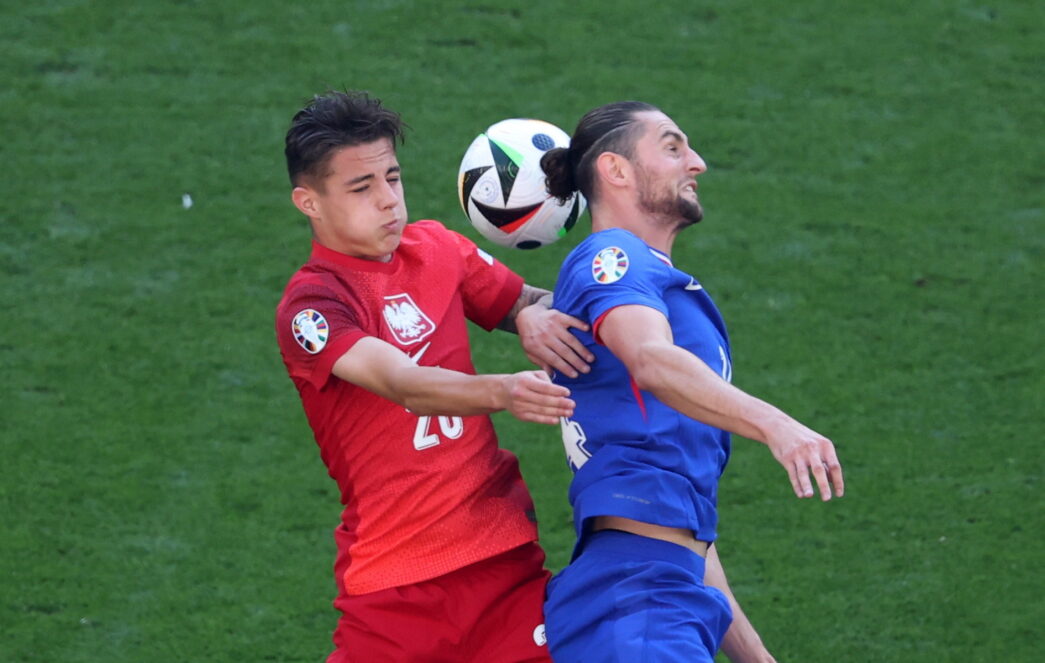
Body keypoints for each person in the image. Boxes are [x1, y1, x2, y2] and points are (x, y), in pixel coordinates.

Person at [274, 90, 594, 663]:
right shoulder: (313, 307)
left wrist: (534, 314)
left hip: (503, 565)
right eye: (361, 188)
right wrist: (505, 389)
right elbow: (402, 382)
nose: (388, 201)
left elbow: (526, 299)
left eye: (392, 178)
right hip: (396, 588)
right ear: (309, 202)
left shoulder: (436, 248)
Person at [539, 101, 846, 663]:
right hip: (635, 597)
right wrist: (776, 425)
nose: (697, 162)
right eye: (674, 146)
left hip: (661, 588)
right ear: (616, 170)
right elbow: (652, 360)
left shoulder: (652, 275)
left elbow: (686, 535)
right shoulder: (613, 256)